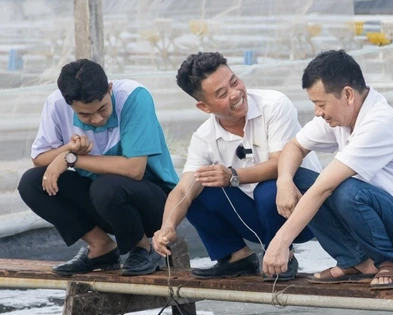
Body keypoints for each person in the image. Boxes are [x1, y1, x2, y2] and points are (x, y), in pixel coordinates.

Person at [262, 50, 393, 289]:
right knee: (299, 177)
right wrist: (284, 181)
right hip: (382, 218)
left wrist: (280, 242)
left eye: (321, 104)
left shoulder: (379, 123)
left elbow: (325, 187)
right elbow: (294, 146)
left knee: (346, 190)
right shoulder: (340, 116)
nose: (318, 112)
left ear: (347, 94)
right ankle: (356, 262)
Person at [152, 52, 322, 280]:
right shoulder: (204, 137)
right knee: (198, 190)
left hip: (303, 210)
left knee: (267, 189)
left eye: (234, 82)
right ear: (204, 106)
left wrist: (233, 176)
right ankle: (236, 257)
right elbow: (183, 189)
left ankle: (283, 253)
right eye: (222, 93)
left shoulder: (274, 105)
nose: (236, 94)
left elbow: (283, 163)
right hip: (259, 216)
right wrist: (167, 226)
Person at [18, 59, 178, 276]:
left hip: (155, 204)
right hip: (105, 204)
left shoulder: (134, 97)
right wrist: (68, 149)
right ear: (69, 105)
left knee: (106, 186)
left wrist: (70, 159)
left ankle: (143, 247)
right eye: (85, 115)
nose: (97, 119)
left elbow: (134, 169)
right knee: (32, 182)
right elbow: (39, 158)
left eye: (102, 108)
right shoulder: (56, 105)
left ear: (109, 89)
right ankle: (101, 247)